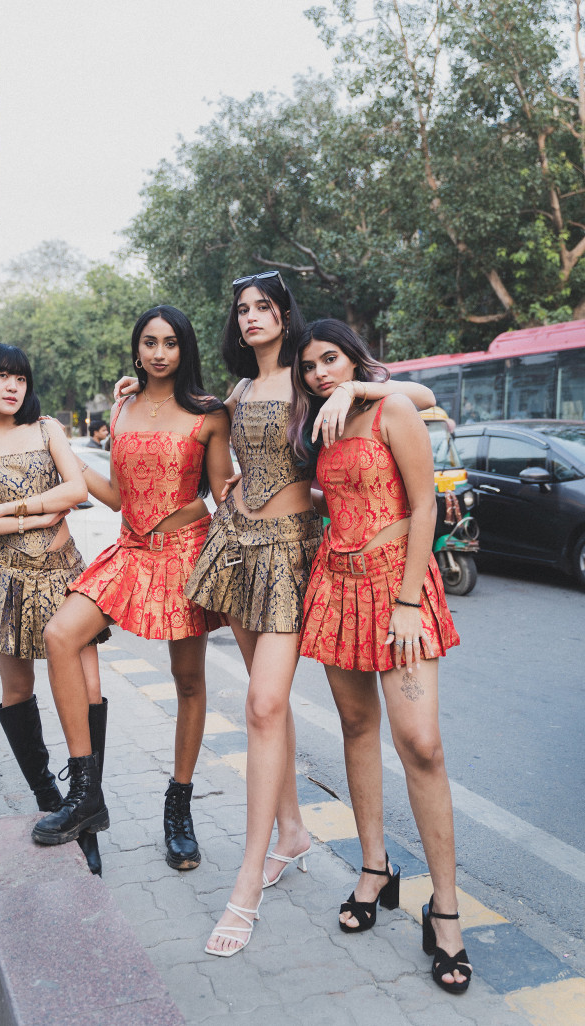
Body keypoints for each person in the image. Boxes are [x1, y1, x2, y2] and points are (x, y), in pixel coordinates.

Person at [181, 272, 437, 958]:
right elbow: (187, 424)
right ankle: (291, 831)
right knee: (271, 709)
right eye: (243, 309)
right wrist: (131, 397)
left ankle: (247, 885)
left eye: (265, 306)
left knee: (264, 706)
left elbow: (420, 396)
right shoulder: (232, 394)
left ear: (285, 314)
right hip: (234, 551)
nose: (254, 317)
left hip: (296, 555)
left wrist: (357, 385)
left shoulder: (310, 377)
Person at [289, 318, 470, 994]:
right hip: (337, 585)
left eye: (328, 359)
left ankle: (445, 909)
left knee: (421, 743)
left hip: (400, 587)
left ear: (353, 359)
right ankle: (374, 868)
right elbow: (335, 499)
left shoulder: (390, 406)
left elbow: (423, 507)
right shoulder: (321, 426)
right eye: (309, 366)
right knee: (356, 728)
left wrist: (404, 603)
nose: (318, 373)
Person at [32, 306, 233, 878]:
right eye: (149, 342)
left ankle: (179, 807)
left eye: (170, 343)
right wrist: (61, 452)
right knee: (59, 634)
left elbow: (223, 497)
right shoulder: (121, 407)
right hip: (130, 550)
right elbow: (118, 495)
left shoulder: (209, 413)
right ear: (137, 348)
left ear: (184, 349)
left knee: (189, 682)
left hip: (187, 555)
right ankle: (84, 793)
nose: (160, 352)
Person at [0, 342, 111, 874]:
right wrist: (27, 522)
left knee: (89, 689)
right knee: (18, 690)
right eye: (1, 377)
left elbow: (74, 488)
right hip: (5, 581)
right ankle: (49, 799)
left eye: (20, 377)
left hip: (63, 574)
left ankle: (85, 805)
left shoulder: (47, 430)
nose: (13, 386)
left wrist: (12, 506)